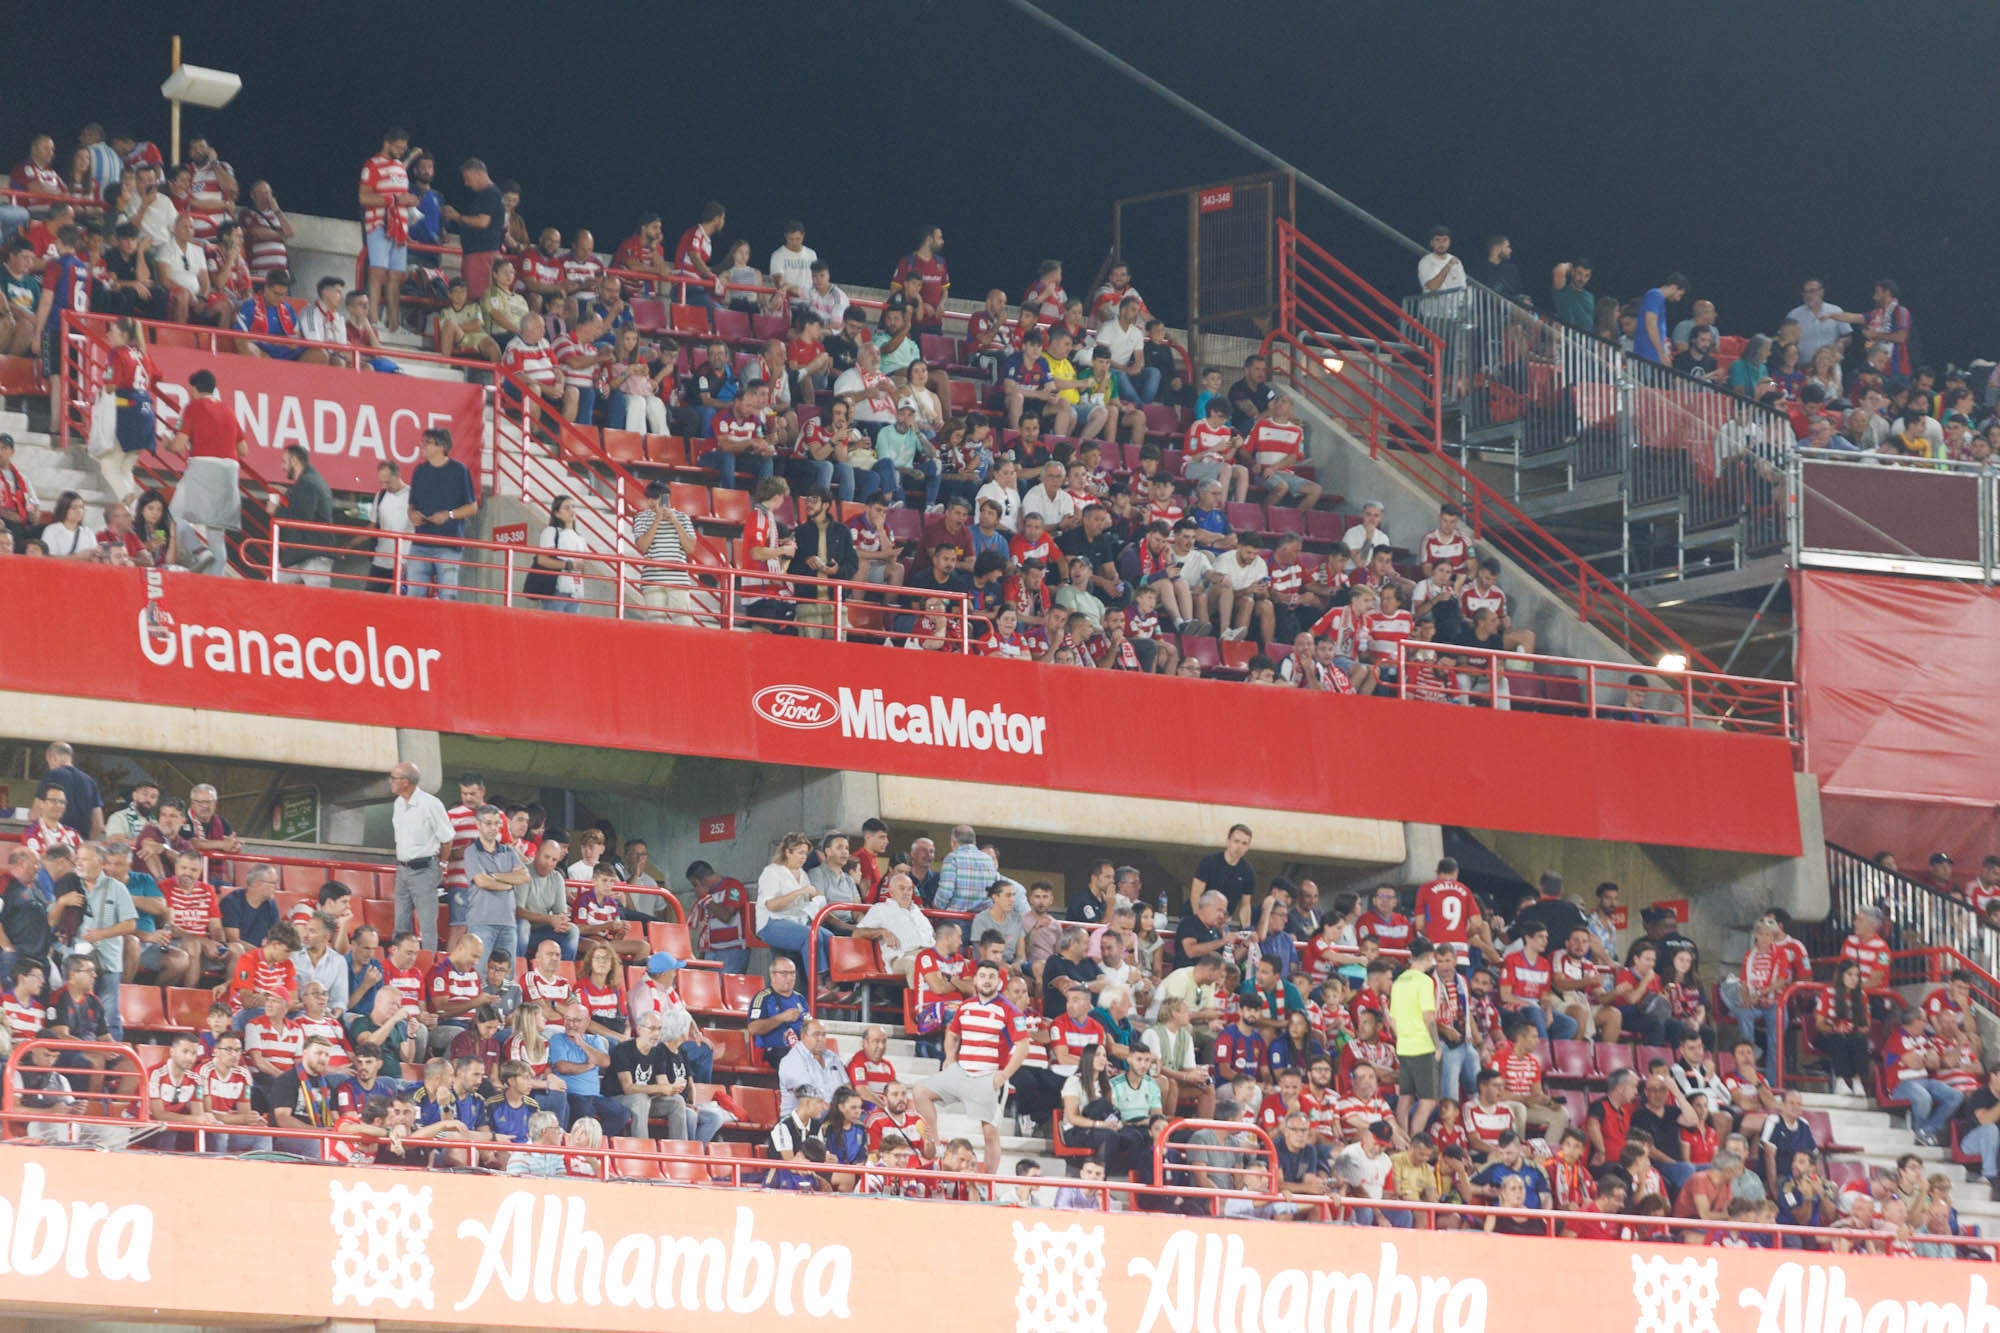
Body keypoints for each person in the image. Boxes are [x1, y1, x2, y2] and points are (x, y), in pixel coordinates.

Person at [913, 960, 1023, 1173]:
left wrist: (1004, 1075)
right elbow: (952, 1033)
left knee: (990, 1133)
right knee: (920, 1092)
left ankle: (988, 1183)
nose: (987, 980)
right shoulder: (966, 1006)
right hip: (962, 1072)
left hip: (988, 1077)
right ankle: (935, 1146)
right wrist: (949, 1057)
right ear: (975, 980)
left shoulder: (1009, 1010)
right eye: (983, 976)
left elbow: (1023, 1047)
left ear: (999, 982)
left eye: (992, 976)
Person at [403, 428, 478, 600]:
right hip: (420, 542)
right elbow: (411, 505)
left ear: (442, 446)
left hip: (448, 544)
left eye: (427, 443)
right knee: (413, 595)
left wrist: (449, 515)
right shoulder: (419, 471)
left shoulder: (459, 471)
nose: (422, 446)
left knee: (448, 595)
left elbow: (472, 507)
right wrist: (413, 515)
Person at [388, 763, 454, 952]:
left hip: (425, 869)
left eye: (394, 778)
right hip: (402, 869)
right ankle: (399, 965)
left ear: (406, 782)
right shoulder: (398, 803)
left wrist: (442, 864)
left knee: (427, 926)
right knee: (400, 923)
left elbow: (447, 838)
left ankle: (429, 966)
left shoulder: (431, 804)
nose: (390, 782)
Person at [547, 1002, 632, 1136]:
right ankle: (587, 1145)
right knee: (585, 1112)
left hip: (594, 1096)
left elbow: (605, 1061)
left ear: (587, 1022)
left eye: (576, 1020)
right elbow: (563, 1067)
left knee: (622, 1113)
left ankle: (598, 1141)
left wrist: (581, 1043)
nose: (570, 1024)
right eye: (567, 1019)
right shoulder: (558, 1039)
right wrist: (588, 1065)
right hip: (572, 1094)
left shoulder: (595, 1040)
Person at [757, 832, 830, 978]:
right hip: (772, 922)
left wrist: (816, 897)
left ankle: (833, 983)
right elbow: (771, 905)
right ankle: (817, 985)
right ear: (788, 852)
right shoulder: (772, 871)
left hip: (797, 921)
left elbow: (807, 901)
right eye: (800, 853)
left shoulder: (802, 874)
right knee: (810, 936)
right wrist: (799, 892)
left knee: (828, 937)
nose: (804, 857)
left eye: (805, 853)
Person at [1633, 273, 1688, 365]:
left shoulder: (1659, 299)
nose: (1678, 299)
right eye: (1680, 295)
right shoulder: (1655, 295)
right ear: (1674, 287)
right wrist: (1662, 354)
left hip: (1652, 355)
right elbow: (1651, 327)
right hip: (1648, 354)